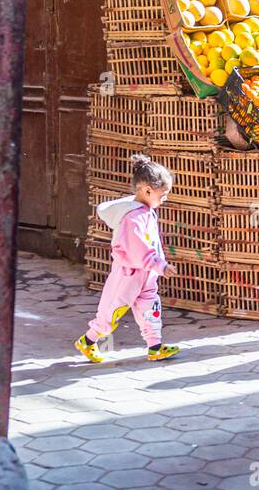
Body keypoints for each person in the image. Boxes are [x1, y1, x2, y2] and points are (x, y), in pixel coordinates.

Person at [75, 154, 181, 363]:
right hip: (128, 275)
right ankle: (88, 341)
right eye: (164, 194)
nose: (165, 198)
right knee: (111, 312)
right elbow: (139, 249)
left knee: (150, 309)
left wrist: (156, 267)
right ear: (147, 190)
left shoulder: (145, 212)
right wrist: (160, 265)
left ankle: (155, 346)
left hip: (146, 275)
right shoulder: (133, 218)